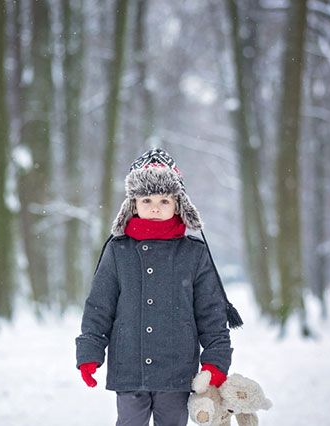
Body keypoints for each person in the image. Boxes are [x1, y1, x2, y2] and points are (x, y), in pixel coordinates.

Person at [75, 148, 242, 426]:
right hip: (129, 369)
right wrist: (90, 352)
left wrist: (215, 361)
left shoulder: (194, 254)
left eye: (164, 200)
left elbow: (211, 312)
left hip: (177, 372)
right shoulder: (118, 251)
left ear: (179, 205)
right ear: (133, 204)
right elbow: (99, 307)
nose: (155, 207)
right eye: (147, 199)